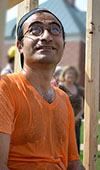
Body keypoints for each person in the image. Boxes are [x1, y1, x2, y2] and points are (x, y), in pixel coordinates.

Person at [0, 8, 85, 170]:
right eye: (35, 29)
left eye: (54, 30)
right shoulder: (5, 88)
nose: (46, 36)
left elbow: (74, 163)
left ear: (64, 46)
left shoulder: (64, 99)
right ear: (20, 46)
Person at [59, 65, 84, 154]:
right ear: (64, 75)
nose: (71, 76)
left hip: (75, 122)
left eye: (73, 74)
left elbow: (82, 107)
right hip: (61, 121)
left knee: (75, 144)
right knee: (61, 144)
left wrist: (76, 118)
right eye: (69, 73)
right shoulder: (59, 88)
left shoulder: (79, 89)